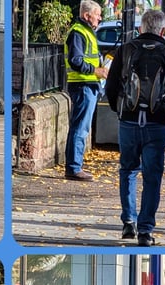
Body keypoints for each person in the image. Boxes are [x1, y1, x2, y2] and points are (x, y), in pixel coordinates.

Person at [106, 9, 165, 247]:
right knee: (152, 177)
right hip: (156, 123)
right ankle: (146, 230)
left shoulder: (126, 50)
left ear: (141, 28)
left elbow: (110, 87)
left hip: (128, 121)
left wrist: (119, 110)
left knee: (128, 170)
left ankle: (128, 221)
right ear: (162, 31)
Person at [63, 0, 107, 182]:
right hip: (83, 85)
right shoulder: (78, 32)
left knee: (82, 126)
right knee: (80, 127)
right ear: (87, 15)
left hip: (88, 85)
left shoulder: (86, 31)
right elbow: (76, 60)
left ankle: (75, 165)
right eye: (97, 15)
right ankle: (74, 168)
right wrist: (96, 71)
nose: (100, 18)